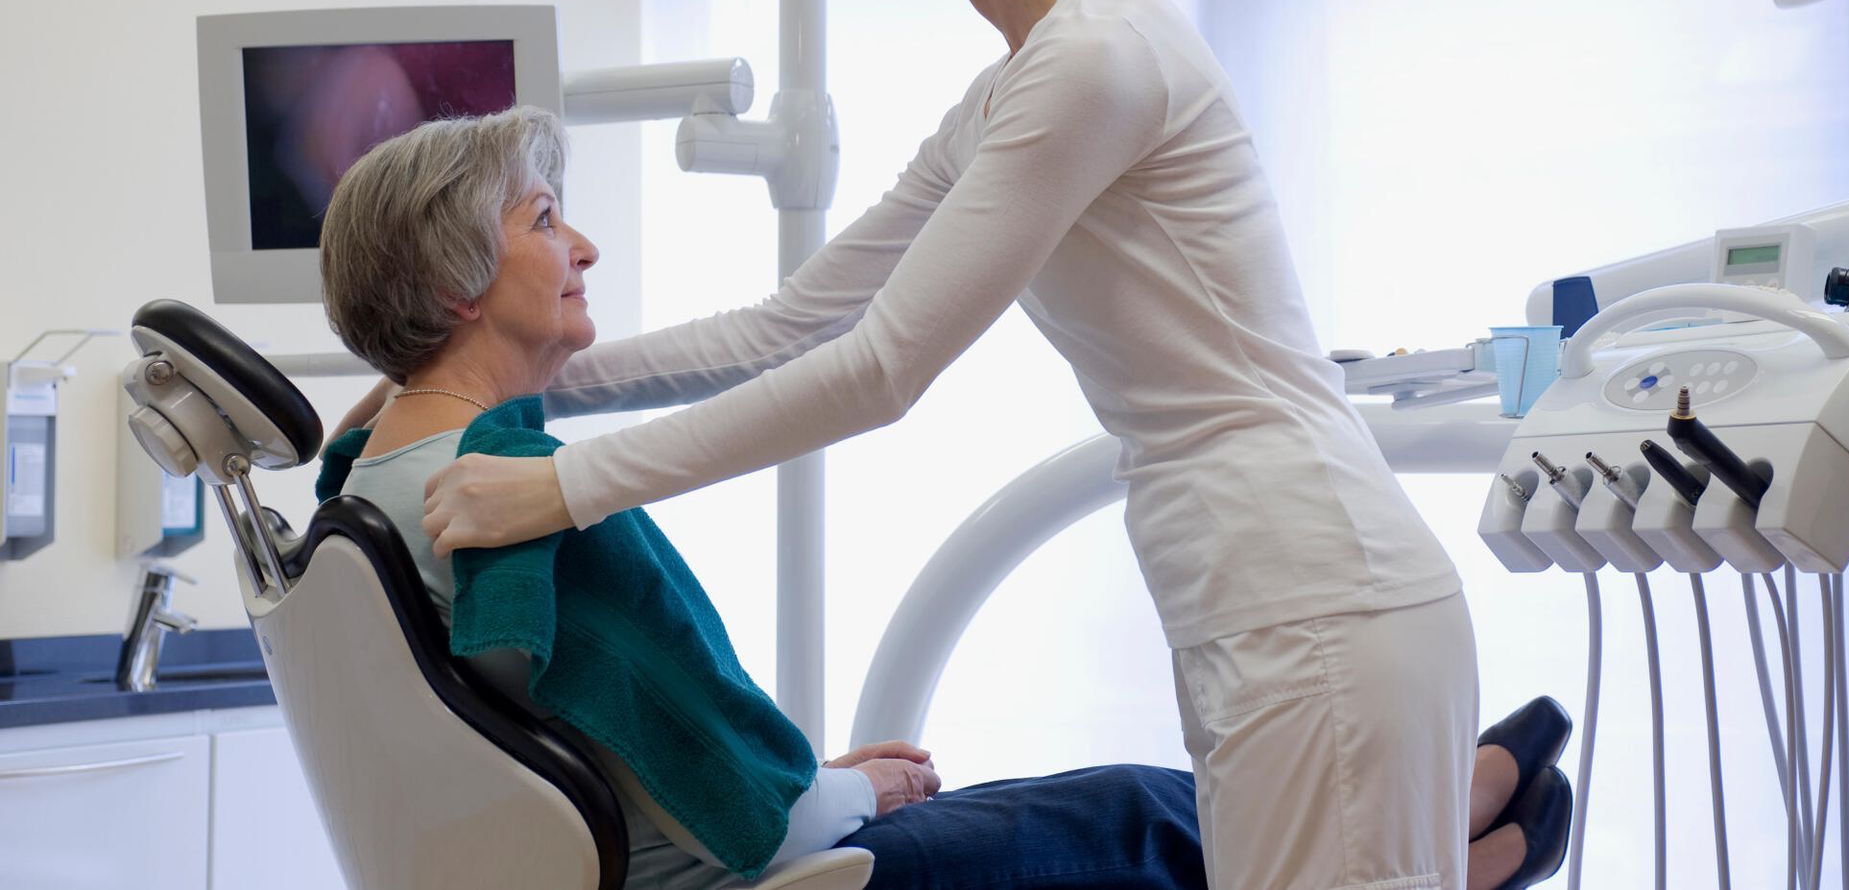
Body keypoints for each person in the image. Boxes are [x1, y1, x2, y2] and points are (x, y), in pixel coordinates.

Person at [323, 108, 1569, 890]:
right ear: (456, 290)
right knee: (1138, 814)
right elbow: (757, 822)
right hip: (761, 868)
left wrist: (819, 779)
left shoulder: (374, 483)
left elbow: (649, 748)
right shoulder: (527, 511)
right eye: (547, 221)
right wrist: (856, 789)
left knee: (1088, 802)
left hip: (700, 849)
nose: (584, 247)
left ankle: (1438, 834)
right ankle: (1438, 839)